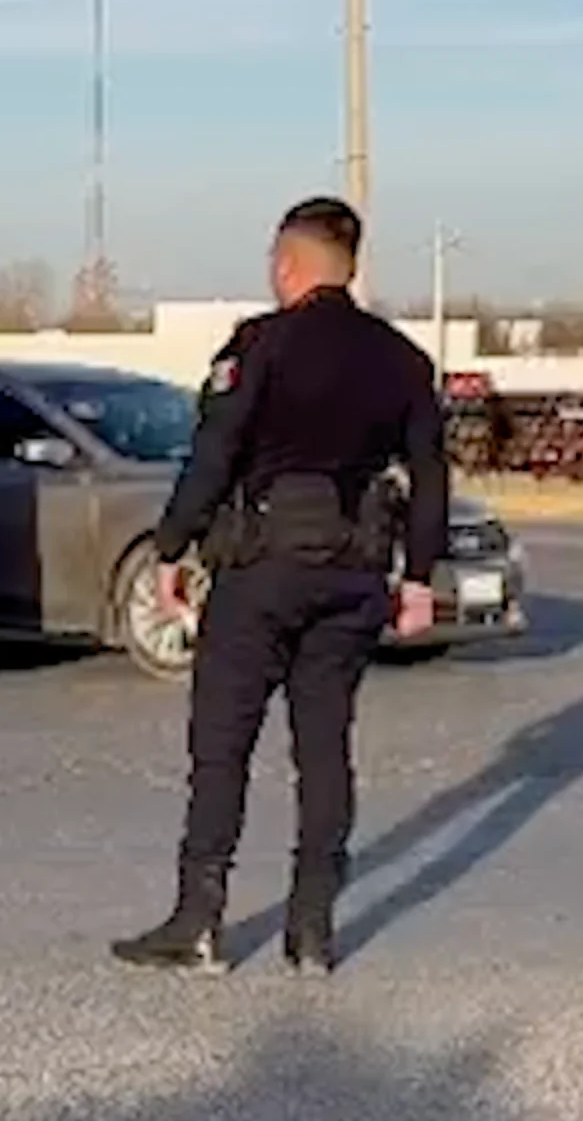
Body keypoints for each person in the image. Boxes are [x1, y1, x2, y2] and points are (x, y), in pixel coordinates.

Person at [110, 196, 445, 978]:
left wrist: (170, 547)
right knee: (324, 749)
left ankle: (198, 924)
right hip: (355, 570)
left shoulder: (260, 346)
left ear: (288, 265)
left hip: (260, 569)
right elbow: (430, 473)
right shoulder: (401, 360)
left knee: (222, 748)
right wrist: (420, 575)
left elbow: (214, 452)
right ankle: (312, 932)